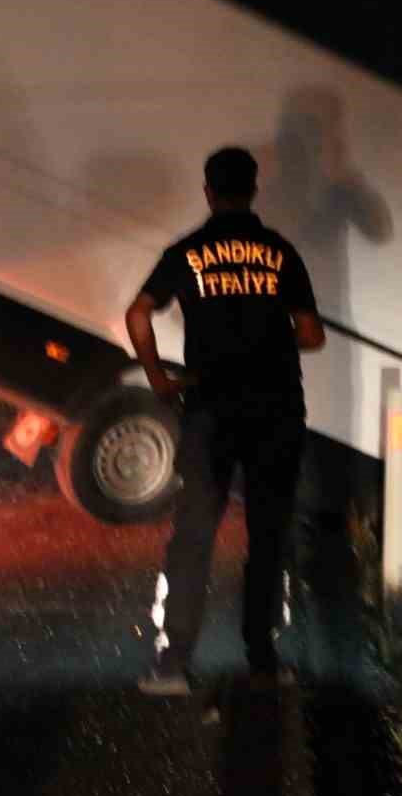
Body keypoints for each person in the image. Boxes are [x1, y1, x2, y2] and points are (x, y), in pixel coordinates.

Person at [125, 146, 326, 695]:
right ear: (254, 189)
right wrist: (266, 340)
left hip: (212, 410)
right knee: (268, 533)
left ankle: (173, 665)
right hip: (276, 408)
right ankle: (262, 659)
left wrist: (159, 378)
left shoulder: (186, 252)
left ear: (209, 192)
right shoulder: (281, 253)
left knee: (193, 533)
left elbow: (138, 312)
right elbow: (312, 335)